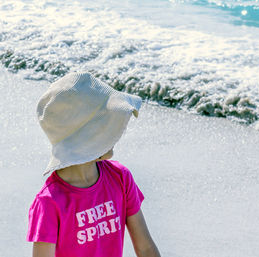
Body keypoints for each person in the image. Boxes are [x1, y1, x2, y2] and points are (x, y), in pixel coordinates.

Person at [26, 72, 161, 257]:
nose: (116, 133)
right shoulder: (49, 203)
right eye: (106, 127)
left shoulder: (120, 178)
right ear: (86, 139)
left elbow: (145, 248)